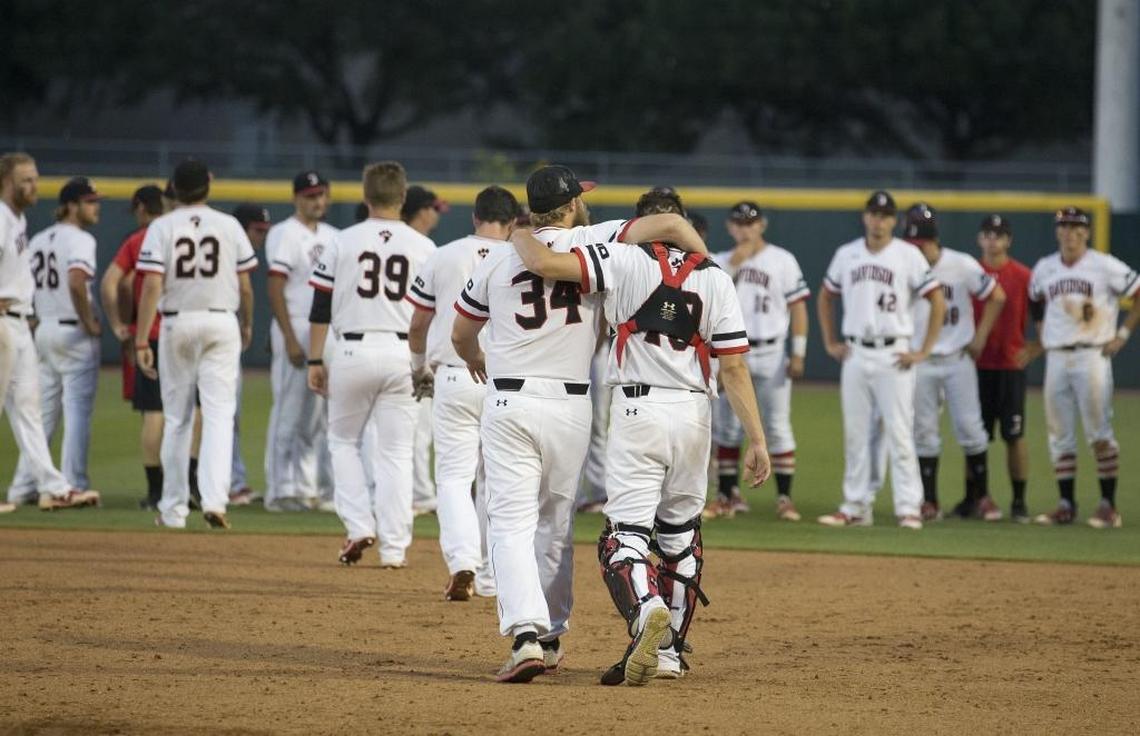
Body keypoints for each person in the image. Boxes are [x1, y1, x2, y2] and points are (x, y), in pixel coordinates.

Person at [451, 164, 707, 683]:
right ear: (570, 206)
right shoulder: (596, 239)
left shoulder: (500, 259)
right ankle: (550, 634)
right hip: (571, 405)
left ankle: (526, 635)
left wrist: (476, 354)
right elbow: (675, 230)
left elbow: (460, 332)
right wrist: (706, 272)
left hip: (510, 401)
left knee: (510, 522)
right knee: (556, 525)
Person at [508, 193, 769, 686]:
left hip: (637, 409)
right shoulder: (716, 276)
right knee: (680, 536)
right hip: (696, 414)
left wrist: (519, 231)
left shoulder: (621, 257)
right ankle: (669, 657)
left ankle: (648, 611)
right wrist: (757, 439)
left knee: (623, 537)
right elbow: (733, 366)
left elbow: (544, 263)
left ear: (640, 223)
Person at [308, 161, 435, 567]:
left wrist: (314, 357)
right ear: (402, 197)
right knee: (397, 453)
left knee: (343, 442)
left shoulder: (342, 241)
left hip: (352, 352)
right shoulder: (424, 247)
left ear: (365, 197)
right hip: (403, 353)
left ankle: (360, 524)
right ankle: (395, 549)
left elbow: (321, 305)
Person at [406, 185, 520, 600]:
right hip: (504, 381)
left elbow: (417, 325)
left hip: (453, 375)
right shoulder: (520, 257)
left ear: (475, 217)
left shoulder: (443, 253)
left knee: (454, 477)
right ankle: (491, 577)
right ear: (512, 223)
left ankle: (462, 562)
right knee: (496, 480)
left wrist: (417, 368)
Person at [135, 159, 257, 530]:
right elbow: (246, 285)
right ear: (209, 182)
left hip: (178, 322)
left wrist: (142, 337)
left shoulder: (162, 226)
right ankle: (216, 500)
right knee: (219, 415)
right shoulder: (229, 224)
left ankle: (173, 510)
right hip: (221, 320)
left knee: (178, 418)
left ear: (173, 187)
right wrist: (247, 322)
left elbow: (152, 284)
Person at [816, 190, 945, 529]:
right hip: (857, 352)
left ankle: (909, 507)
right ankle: (856, 506)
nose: (879, 220)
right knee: (856, 435)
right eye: (874, 213)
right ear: (865, 217)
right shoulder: (848, 254)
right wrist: (830, 341)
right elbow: (826, 296)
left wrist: (924, 350)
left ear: (894, 221)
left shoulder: (908, 255)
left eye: (886, 215)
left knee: (900, 433)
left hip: (894, 353)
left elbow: (938, 301)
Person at [1024, 206, 1139, 528]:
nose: (1070, 233)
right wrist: (1043, 330)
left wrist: (1123, 334)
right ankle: (1065, 503)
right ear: (1057, 231)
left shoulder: (1103, 265)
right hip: (1057, 356)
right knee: (1059, 434)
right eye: (1064, 227)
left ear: (1086, 233)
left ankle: (1108, 505)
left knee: (1099, 432)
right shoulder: (1045, 268)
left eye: (1076, 227)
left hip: (1092, 356)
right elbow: (1034, 299)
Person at [0, 152, 99, 511]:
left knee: (30, 411)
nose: (33, 186)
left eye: (35, 178)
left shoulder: (23, 223)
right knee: (32, 410)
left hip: (27, 325)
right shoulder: (1, 218)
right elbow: (75, 281)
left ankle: (52, 487)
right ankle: (60, 483)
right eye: (26, 179)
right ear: (7, 182)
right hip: (10, 322)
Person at [899, 204, 1007, 522]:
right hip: (921, 359)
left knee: (972, 429)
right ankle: (929, 501)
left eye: (923, 242)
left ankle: (983, 497)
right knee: (924, 432)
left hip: (958, 358)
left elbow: (997, 296)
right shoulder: (905, 265)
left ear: (934, 238)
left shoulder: (960, 264)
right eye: (914, 242)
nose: (918, 248)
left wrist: (981, 336)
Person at [706, 201, 809, 522]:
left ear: (762, 225)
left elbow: (798, 307)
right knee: (727, 427)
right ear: (730, 227)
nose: (745, 228)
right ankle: (726, 496)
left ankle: (784, 498)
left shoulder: (782, 260)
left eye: (750, 222)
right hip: (734, 354)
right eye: (739, 223)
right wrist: (735, 264)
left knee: (777, 425)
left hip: (773, 351)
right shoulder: (719, 262)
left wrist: (799, 351)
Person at [263, 174, 339, 513]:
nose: (316, 201)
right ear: (296, 198)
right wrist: (290, 339)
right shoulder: (283, 233)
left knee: (318, 416)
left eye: (321, 195)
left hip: (325, 330)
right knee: (288, 413)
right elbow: (275, 288)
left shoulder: (335, 236)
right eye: (310, 196)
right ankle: (279, 488)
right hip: (294, 324)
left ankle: (308, 487)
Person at [101, 184, 166, 508]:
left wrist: (119, 325)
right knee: (191, 415)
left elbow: (113, 283)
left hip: (151, 333)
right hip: (186, 330)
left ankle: (156, 492)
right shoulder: (183, 232)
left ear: (141, 207)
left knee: (154, 413)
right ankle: (192, 487)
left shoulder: (139, 240)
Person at [972, 214, 1033, 522]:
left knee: (1014, 434)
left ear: (1008, 240)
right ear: (979, 239)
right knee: (974, 435)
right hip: (976, 365)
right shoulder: (971, 273)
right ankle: (976, 497)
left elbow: (1046, 313)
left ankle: (1019, 501)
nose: (992, 240)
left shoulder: (1023, 276)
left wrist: (1037, 346)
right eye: (987, 234)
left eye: (998, 234)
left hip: (1009, 365)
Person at [401, 184, 448, 517]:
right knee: (417, 426)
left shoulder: (382, 240)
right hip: (412, 342)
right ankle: (419, 493)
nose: (436, 215)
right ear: (421, 210)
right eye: (434, 208)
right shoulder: (425, 247)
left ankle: (414, 491)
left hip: (394, 338)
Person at [229, 203, 272, 506]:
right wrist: (247, 323)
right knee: (224, 413)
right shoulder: (231, 248)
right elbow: (245, 291)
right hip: (220, 328)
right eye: (257, 231)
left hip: (179, 328)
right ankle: (231, 483)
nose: (261, 238)